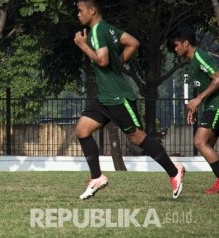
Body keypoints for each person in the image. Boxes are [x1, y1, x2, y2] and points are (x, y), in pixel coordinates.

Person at [73, 0, 185, 200]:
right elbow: (133, 42)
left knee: (137, 137)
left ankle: (174, 171)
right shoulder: (108, 28)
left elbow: (103, 60)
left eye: (80, 11)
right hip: (105, 97)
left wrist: (83, 45)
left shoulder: (97, 31)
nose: (78, 15)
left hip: (117, 96)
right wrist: (119, 63)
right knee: (82, 130)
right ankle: (96, 177)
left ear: (92, 10)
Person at [173, 27, 219, 195]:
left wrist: (199, 99)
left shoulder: (200, 56)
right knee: (208, 146)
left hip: (217, 105)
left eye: (177, 44)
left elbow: (218, 78)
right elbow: (205, 85)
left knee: (200, 142)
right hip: (210, 105)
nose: (175, 48)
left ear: (186, 43)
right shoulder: (192, 61)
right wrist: (195, 107)